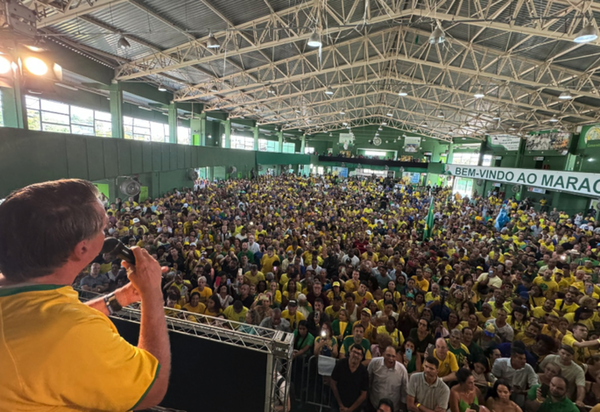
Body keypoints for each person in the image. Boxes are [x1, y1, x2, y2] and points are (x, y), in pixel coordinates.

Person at [0, 179, 170, 410]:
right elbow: (151, 389)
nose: (106, 233)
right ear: (81, 249)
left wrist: (118, 299)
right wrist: (152, 294)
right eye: (102, 229)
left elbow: (43, 325)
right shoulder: (73, 332)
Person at [367, 346, 408, 412]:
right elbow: (368, 381)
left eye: (393, 356)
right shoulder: (374, 363)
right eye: (388, 355)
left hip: (394, 408)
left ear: (396, 357)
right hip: (374, 405)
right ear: (383, 354)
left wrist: (402, 407)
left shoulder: (402, 370)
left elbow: (404, 391)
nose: (391, 358)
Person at [331, 343, 369, 412]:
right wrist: (340, 405)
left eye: (359, 354)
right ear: (350, 353)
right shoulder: (340, 364)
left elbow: (363, 394)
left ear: (361, 357)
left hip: (355, 408)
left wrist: (350, 410)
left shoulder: (364, 372)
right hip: (337, 405)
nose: (356, 355)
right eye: (354, 352)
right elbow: (333, 383)